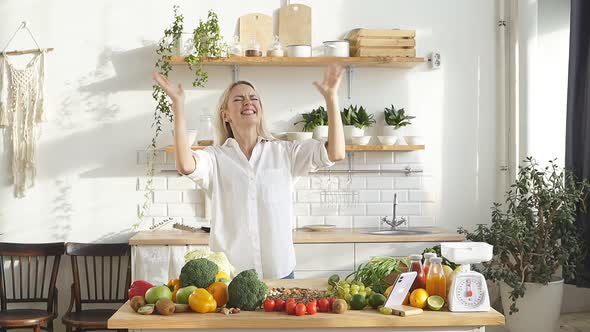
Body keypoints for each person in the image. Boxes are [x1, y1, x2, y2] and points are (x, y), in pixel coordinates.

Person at [152, 64, 346, 279]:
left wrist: (331, 98)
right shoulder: (215, 158)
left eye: (253, 98)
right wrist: (178, 106)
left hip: (279, 271)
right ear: (225, 115)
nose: (248, 102)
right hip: (231, 277)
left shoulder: (285, 152)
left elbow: (335, 153)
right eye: (238, 99)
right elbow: (185, 165)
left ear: (260, 109)